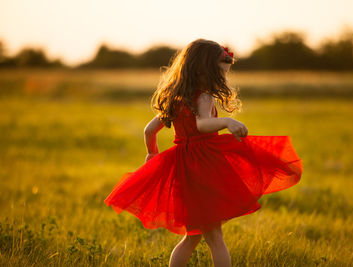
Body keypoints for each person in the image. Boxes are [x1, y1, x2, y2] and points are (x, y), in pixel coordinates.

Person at [104, 39, 303, 267]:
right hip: (203, 168)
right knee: (215, 238)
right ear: (203, 70)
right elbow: (202, 124)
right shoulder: (203, 96)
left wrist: (152, 154)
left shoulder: (175, 98)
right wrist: (227, 121)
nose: (221, 80)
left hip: (184, 169)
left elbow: (149, 130)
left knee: (192, 236)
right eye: (219, 74)